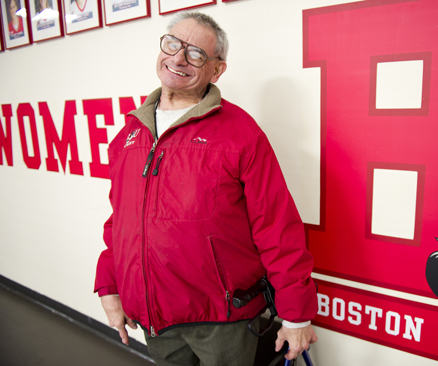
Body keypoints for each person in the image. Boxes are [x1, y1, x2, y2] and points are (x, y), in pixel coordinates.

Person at [94, 11, 318, 366]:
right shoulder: (129, 135)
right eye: (173, 44)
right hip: (155, 317)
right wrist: (110, 287)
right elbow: (119, 222)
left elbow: (276, 226)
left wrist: (296, 314)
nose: (179, 58)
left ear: (217, 70)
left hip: (221, 319)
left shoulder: (241, 133)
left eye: (196, 53)